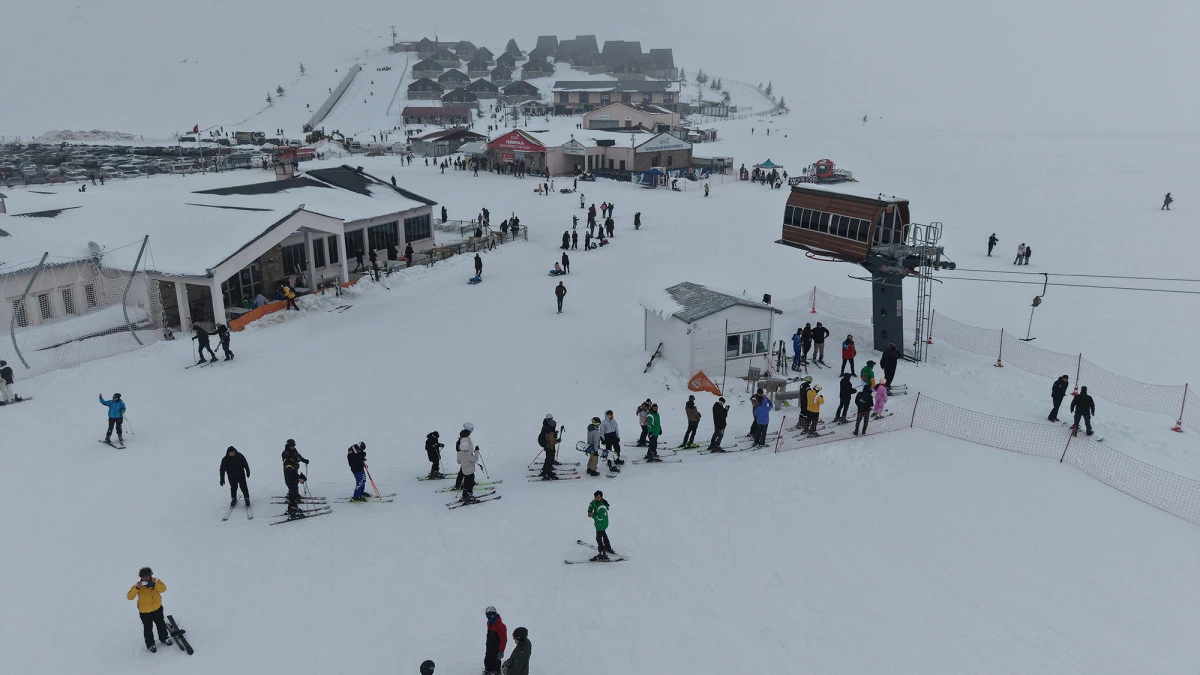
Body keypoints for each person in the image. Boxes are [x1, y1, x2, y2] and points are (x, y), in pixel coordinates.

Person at [127, 567, 172, 652]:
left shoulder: (156, 581)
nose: (146, 578)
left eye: (147, 576)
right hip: (145, 612)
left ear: (150, 575)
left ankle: (164, 638)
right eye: (143, 577)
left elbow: (164, 589)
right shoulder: (137, 585)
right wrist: (137, 588)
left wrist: (154, 585)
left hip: (157, 608)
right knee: (148, 628)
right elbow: (129, 597)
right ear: (141, 577)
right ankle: (150, 644)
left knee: (161, 624)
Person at [588, 490, 614, 559]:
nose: (596, 499)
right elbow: (591, 504)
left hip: (602, 523)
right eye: (595, 497)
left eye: (598, 497)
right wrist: (589, 511)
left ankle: (602, 553)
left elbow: (599, 518)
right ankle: (608, 547)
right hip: (599, 523)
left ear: (601, 497)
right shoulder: (595, 501)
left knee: (598, 538)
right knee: (603, 534)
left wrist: (592, 515)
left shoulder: (602, 507)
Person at [457, 424, 480, 502]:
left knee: (467, 483)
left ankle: (465, 495)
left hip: (465, 470)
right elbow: (475, 459)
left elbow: (458, 461)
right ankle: (467, 496)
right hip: (470, 470)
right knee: (470, 484)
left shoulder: (461, 452)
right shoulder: (467, 454)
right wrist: (476, 451)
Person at [484, 606, 508, 675]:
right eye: (487, 616)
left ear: (494, 614)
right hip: (489, 647)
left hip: (496, 649)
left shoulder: (501, 626)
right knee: (487, 660)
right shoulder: (489, 623)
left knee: (495, 662)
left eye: (491, 615)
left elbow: (503, 640)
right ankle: (487, 670)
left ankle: (496, 672)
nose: (489, 617)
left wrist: (501, 651)